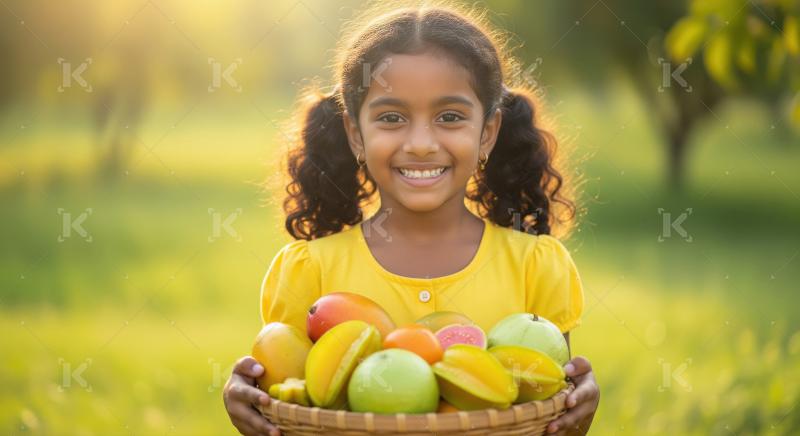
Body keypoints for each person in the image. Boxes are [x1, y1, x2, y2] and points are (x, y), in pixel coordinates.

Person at [224, 3, 599, 435]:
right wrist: (248, 401)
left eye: (450, 117)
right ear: (355, 134)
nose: (421, 143)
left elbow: (549, 397)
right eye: (391, 118)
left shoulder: (537, 267)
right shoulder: (307, 271)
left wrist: (578, 410)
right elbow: (289, 394)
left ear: (488, 133)